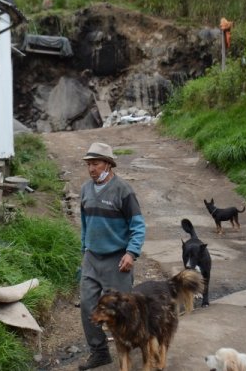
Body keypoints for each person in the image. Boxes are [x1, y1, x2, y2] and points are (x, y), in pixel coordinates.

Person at [77, 141, 146, 370]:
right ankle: (99, 353)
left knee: (122, 312)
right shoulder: (86, 189)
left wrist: (131, 253)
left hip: (117, 261)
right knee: (88, 306)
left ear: (108, 164)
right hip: (92, 258)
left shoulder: (123, 190)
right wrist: (84, 248)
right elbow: (86, 223)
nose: (91, 169)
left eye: (95, 164)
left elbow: (138, 226)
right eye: (89, 164)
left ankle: (131, 352)